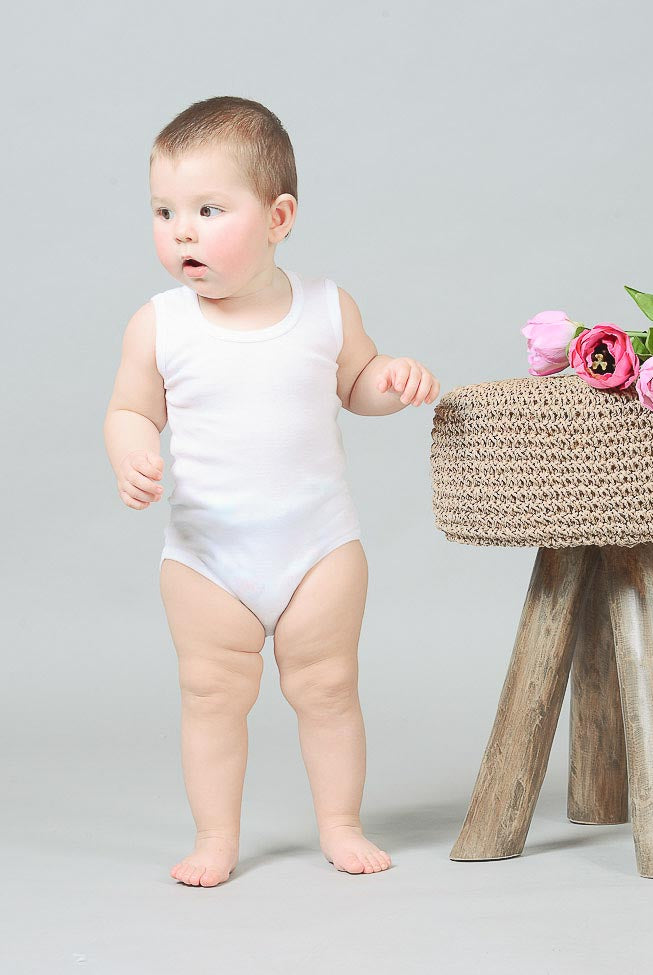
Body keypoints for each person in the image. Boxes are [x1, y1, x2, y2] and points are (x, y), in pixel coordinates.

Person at [103, 95, 440, 887]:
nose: (181, 231)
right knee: (211, 693)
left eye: (208, 209)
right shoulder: (160, 324)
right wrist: (132, 450)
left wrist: (390, 380)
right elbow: (128, 408)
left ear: (278, 217)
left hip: (317, 547)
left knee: (327, 686)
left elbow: (355, 382)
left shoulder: (326, 307)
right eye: (164, 211)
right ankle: (215, 835)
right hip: (207, 557)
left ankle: (340, 822)